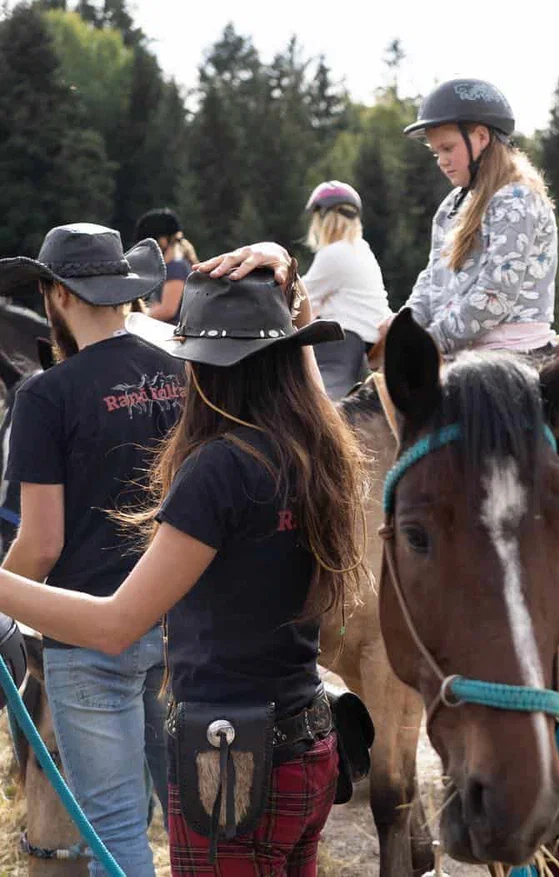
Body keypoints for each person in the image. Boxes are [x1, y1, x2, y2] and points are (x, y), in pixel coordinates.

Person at [0, 241, 368, 875]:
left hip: (234, 761)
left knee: (116, 825)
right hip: (308, 742)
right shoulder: (316, 451)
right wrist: (291, 289)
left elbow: (114, 625)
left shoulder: (218, 469)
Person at [0, 223, 179, 876]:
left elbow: (42, 543)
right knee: (194, 820)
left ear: (59, 295)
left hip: (89, 637)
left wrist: (3, 605)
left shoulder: (45, 395)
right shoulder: (181, 373)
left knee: (114, 829)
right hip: (181, 624)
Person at [391, 78, 558, 354]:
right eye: (435, 152)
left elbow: (495, 296)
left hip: (512, 356)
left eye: (447, 148)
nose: (441, 161)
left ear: (481, 137)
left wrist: (428, 343)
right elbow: (433, 278)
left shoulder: (516, 200)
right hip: (460, 353)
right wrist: (404, 325)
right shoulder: (451, 206)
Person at [301, 180, 393, 398]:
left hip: (342, 345)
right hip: (366, 344)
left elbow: (299, 298)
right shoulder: (361, 249)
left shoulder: (335, 253)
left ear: (324, 218)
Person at [135, 208, 197, 323]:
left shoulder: (175, 268)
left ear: (162, 241)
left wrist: (132, 318)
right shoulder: (178, 264)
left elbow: (167, 310)